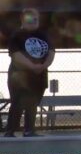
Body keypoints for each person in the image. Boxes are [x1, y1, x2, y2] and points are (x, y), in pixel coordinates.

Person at [4, 8, 55, 137]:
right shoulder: (17, 35)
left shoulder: (44, 35)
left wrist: (44, 65)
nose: (33, 21)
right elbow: (15, 55)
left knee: (33, 103)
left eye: (35, 18)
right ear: (22, 19)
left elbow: (51, 52)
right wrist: (32, 66)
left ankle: (29, 130)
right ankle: (10, 131)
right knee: (18, 103)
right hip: (19, 77)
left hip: (39, 76)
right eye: (29, 18)